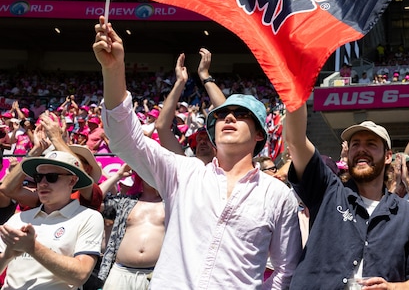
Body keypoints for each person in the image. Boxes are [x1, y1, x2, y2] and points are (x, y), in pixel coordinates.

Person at [93, 16, 302, 289]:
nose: (228, 118)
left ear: (260, 134)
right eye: (221, 116)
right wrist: (113, 69)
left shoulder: (278, 196)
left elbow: (286, 271)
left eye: (240, 115)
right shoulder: (184, 173)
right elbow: (124, 139)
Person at [283, 105, 409, 289]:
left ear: (388, 156)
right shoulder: (327, 191)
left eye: (371, 144)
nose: (361, 149)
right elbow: (296, 141)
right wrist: (296, 97)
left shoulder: (407, 215)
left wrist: (392, 288)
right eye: (355, 144)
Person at [0, 150, 103, 290]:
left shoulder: (89, 217)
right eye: (38, 177)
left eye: (52, 177)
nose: (42, 183)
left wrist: (32, 247)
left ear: (72, 181)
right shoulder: (18, 218)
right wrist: (7, 255)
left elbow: (80, 275)